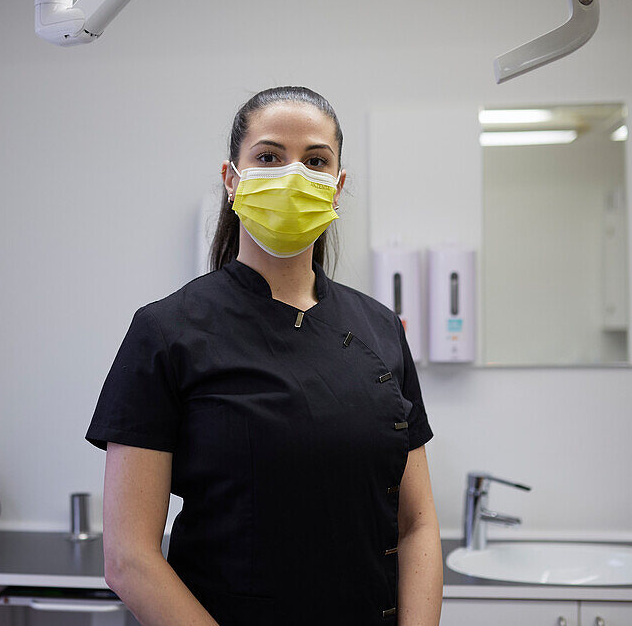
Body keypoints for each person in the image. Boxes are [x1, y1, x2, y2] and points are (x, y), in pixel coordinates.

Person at [85, 86, 442, 625]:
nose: (294, 176)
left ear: (337, 187)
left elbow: (416, 525)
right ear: (233, 179)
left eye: (316, 161)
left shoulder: (380, 328)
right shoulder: (167, 331)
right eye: (270, 157)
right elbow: (129, 559)